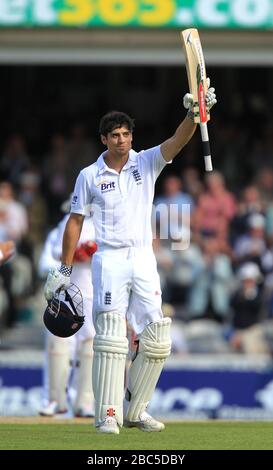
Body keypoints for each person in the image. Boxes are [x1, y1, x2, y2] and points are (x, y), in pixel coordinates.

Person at [44, 83, 217, 434]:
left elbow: (178, 141)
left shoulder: (146, 161)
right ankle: (107, 413)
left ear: (131, 136)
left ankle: (136, 410)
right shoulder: (89, 176)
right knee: (109, 335)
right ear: (104, 140)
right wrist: (63, 268)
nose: (122, 140)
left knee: (156, 337)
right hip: (109, 259)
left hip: (142, 259)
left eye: (126, 134)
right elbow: (75, 221)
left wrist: (193, 113)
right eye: (115, 135)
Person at [40, 205, 97, 417]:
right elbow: (53, 253)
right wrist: (75, 252)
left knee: (91, 345)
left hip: (93, 292)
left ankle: (85, 403)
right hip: (66, 292)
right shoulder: (68, 221)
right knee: (59, 343)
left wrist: (93, 250)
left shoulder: (105, 221)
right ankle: (56, 400)